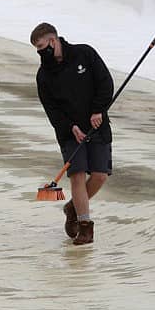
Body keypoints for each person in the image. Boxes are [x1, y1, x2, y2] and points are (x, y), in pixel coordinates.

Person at [30, 22, 114, 245]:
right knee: (77, 175)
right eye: (36, 49)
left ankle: (72, 208)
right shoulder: (43, 75)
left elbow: (105, 83)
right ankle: (85, 227)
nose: (39, 52)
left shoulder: (84, 54)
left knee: (100, 175)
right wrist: (71, 127)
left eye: (41, 46)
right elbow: (52, 110)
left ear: (53, 41)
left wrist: (98, 110)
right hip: (69, 133)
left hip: (97, 124)